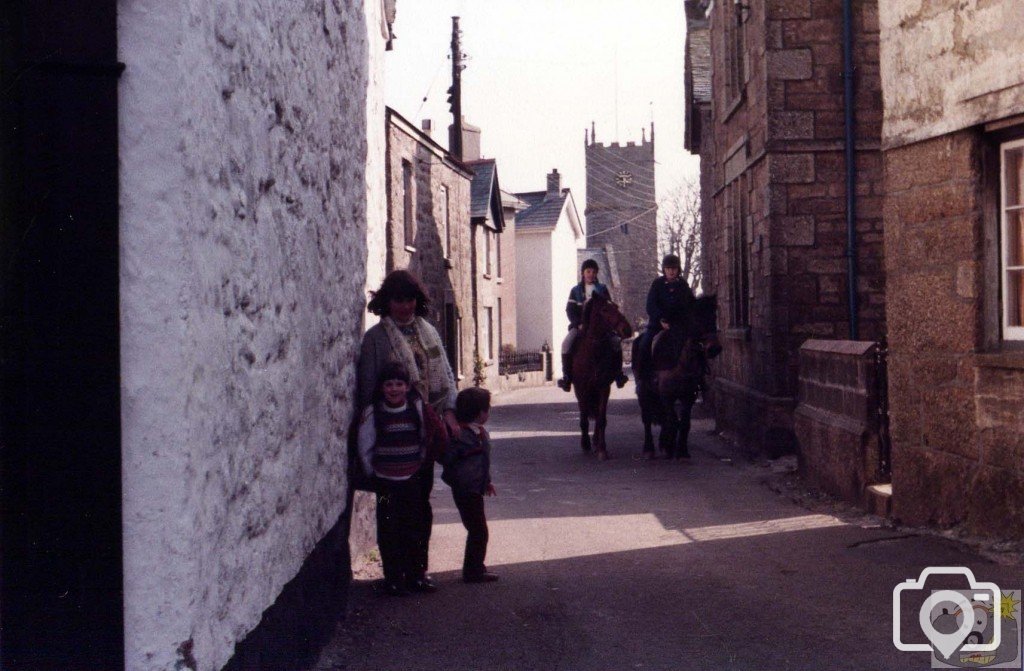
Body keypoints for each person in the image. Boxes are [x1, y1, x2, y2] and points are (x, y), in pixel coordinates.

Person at [357, 269, 460, 593]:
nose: (405, 306)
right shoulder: (376, 339)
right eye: (398, 300)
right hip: (390, 437)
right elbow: (366, 388)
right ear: (386, 303)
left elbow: (445, 373)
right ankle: (394, 575)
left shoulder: (428, 331)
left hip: (422, 434)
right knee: (390, 511)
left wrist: (449, 413)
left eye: (410, 299)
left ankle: (418, 570)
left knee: (420, 506)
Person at [357, 362, 447, 596]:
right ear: (382, 387)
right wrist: (372, 473)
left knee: (415, 528)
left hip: (412, 478)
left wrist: (420, 463)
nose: (394, 389)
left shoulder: (416, 407)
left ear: (407, 387)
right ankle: (393, 578)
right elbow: (365, 445)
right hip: (385, 481)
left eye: (399, 384)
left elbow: (425, 435)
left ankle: (417, 575)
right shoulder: (373, 412)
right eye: (389, 384)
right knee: (388, 529)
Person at [440, 387, 499, 584]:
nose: (488, 413)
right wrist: (457, 479)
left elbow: (483, 461)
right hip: (465, 490)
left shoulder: (480, 433)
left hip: (474, 488)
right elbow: (447, 458)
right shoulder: (461, 435)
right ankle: (473, 571)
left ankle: (475, 568)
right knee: (478, 530)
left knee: (477, 529)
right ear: (479, 413)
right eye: (487, 409)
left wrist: (487, 481)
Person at [556, 259, 628, 392]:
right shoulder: (575, 290)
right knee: (566, 344)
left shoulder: (602, 289)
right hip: (580, 327)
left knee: (615, 342)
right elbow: (570, 310)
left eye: (594, 272)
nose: (591, 274)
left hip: (601, 328)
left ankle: (618, 374)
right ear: (583, 273)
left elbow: (609, 308)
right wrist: (578, 324)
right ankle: (567, 377)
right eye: (588, 271)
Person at [638, 254, 696, 371]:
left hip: (679, 325)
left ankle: (699, 377)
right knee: (644, 343)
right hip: (658, 324)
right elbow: (650, 305)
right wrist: (660, 319)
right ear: (664, 269)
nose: (671, 271)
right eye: (668, 268)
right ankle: (644, 378)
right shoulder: (657, 284)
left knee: (695, 344)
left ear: (678, 270)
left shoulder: (683, 285)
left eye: (674, 268)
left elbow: (691, 304)